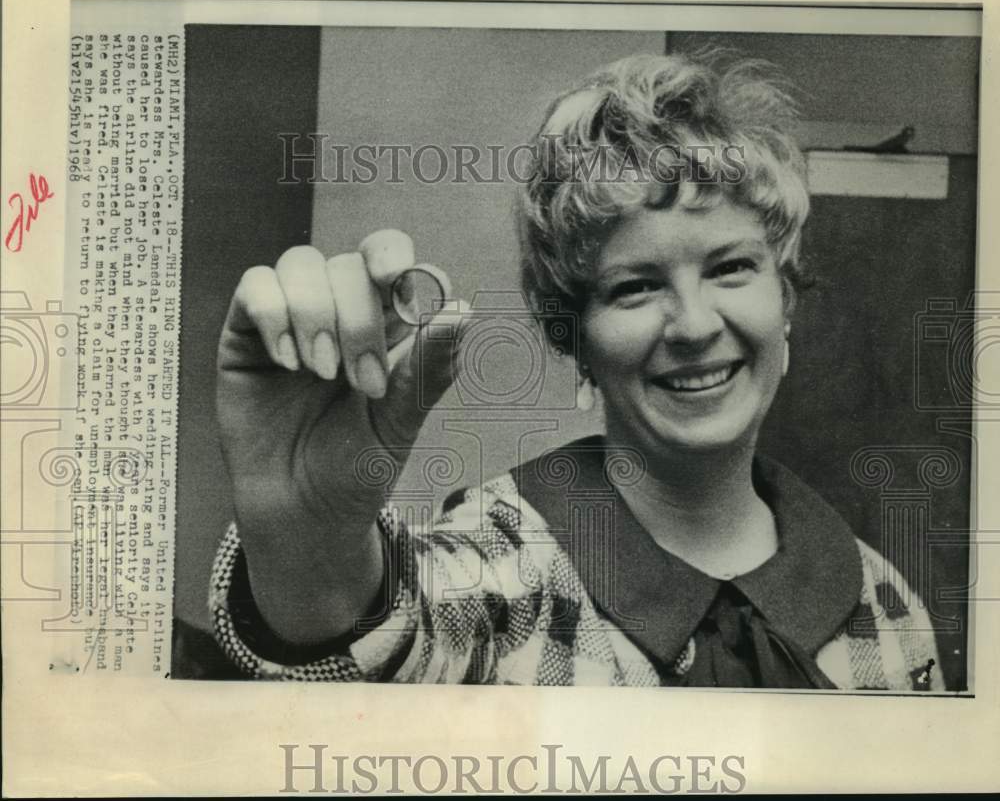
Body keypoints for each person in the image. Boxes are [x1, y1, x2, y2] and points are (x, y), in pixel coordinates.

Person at [210, 51, 943, 688]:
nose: (691, 324)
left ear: (783, 300)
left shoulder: (886, 604)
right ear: (577, 338)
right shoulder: (505, 564)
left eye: (730, 267)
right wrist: (309, 539)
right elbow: (383, 630)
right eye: (634, 287)